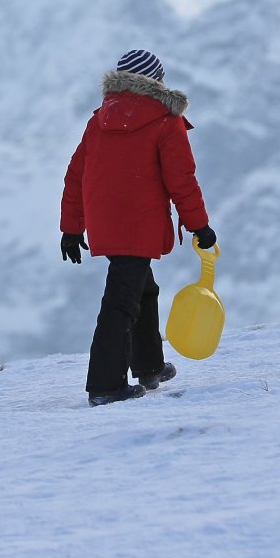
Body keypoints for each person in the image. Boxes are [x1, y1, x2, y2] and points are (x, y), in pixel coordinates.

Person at [61, 49, 216, 406]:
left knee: (142, 288)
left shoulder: (99, 120)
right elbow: (182, 181)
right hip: (140, 222)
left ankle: (149, 366)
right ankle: (105, 385)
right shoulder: (165, 120)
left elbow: (76, 174)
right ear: (156, 82)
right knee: (120, 301)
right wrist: (200, 225)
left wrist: (71, 227)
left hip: (106, 222)